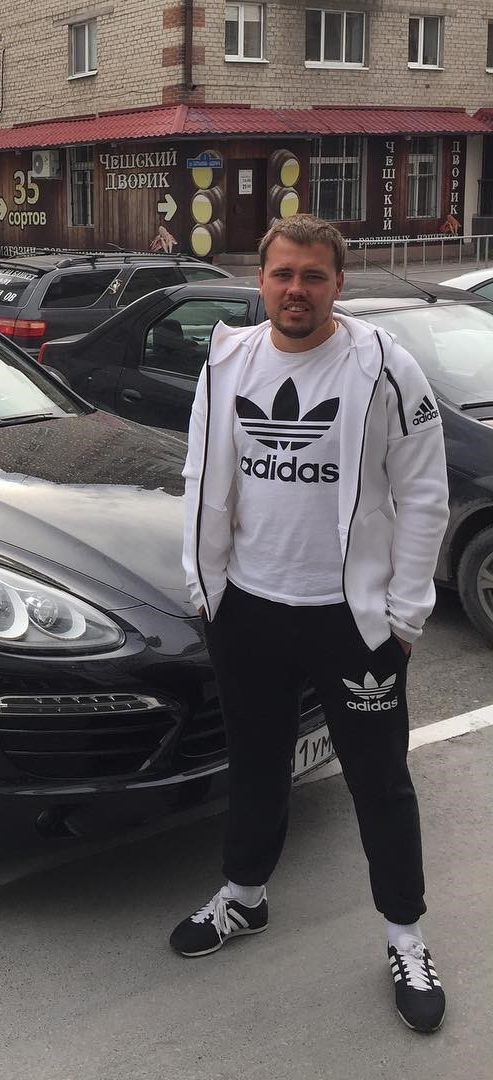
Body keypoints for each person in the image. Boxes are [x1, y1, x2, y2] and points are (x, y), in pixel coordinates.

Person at [172, 214, 449, 1034]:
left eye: (314, 276)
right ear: (260, 280)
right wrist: (204, 584)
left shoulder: (384, 367)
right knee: (256, 764)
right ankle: (245, 895)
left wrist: (405, 614)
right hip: (249, 609)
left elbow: (424, 495)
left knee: (379, 782)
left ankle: (405, 935)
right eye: (283, 274)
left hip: (350, 619)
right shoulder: (227, 361)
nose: (297, 290)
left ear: (339, 283)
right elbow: (200, 475)